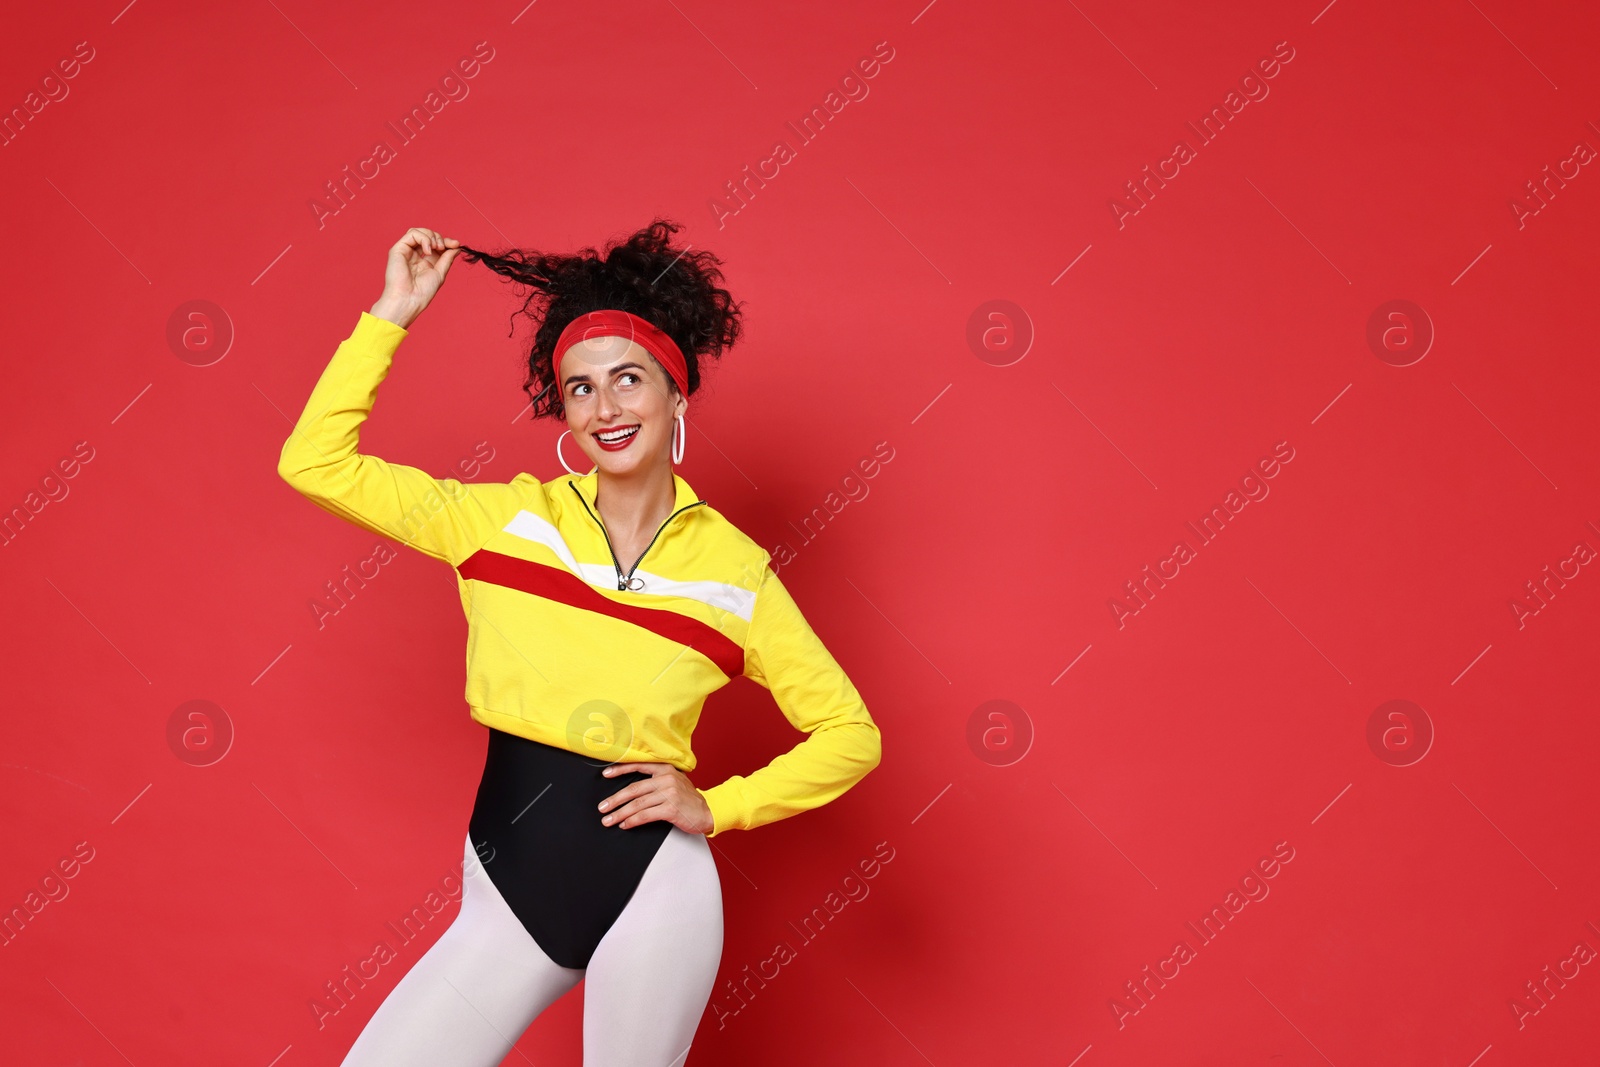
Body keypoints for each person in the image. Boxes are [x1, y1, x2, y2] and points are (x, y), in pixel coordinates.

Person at [277, 221, 883, 1066]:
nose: (606, 409)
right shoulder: (499, 523)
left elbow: (852, 733)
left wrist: (719, 805)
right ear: (562, 408)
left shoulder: (735, 572)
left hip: (658, 888)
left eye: (629, 381)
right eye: (581, 388)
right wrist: (392, 315)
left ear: (676, 394)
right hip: (511, 887)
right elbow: (313, 463)